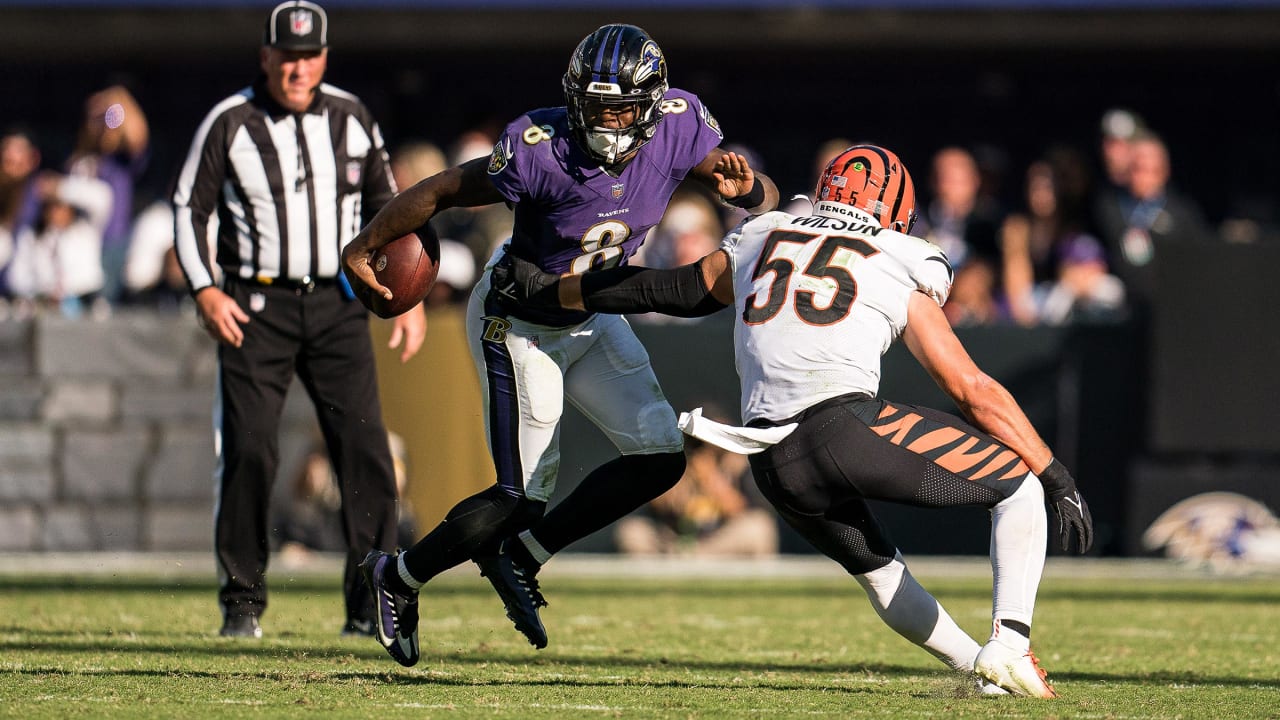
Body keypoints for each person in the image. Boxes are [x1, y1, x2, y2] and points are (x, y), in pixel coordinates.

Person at [493, 144, 1093, 697]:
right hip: (841, 426)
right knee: (1017, 484)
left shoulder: (765, 232)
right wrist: (1056, 473)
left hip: (772, 460)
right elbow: (972, 389)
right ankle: (1010, 645)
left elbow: (670, 289)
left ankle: (983, 677)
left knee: (883, 576)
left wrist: (559, 291)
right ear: (895, 212)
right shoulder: (899, 255)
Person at [342, 23, 778, 666]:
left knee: (660, 459)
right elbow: (442, 190)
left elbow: (754, 194)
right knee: (518, 495)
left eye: (621, 107)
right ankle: (398, 576)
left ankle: (523, 554)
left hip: (591, 311)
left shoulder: (681, 124)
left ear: (653, 106)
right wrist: (364, 244)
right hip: (521, 315)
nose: (605, 121)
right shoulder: (539, 147)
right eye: (594, 106)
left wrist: (749, 190)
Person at [171, 0, 426, 639]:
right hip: (255, 305)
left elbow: (390, 208)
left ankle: (370, 604)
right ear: (266, 57)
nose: (298, 69)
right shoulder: (230, 122)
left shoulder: (352, 117)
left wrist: (406, 297)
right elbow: (187, 208)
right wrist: (205, 290)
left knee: (365, 449)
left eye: (309, 57)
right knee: (251, 448)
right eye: (287, 57)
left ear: (324, 58)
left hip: (338, 304)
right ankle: (242, 602)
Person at [614, 434, 778, 558]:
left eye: (705, 446)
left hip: (716, 545)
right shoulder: (675, 465)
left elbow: (736, 509)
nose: (698, 452)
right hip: (674, 544)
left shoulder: (731, 464)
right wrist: (678, 478)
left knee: (760, 527)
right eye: (694, 445)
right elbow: (658, 506)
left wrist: (709, 476)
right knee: (632, 531)